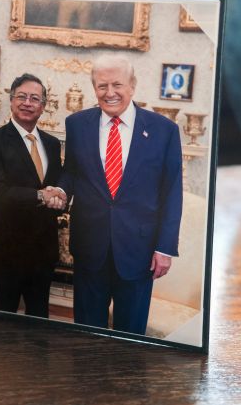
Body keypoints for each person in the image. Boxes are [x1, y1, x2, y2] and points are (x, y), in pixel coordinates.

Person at [52, 56, 183, 335]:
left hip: (139, 250)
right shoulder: (77, 124)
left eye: (117, 84)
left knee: (131, 336)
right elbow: (72, 172)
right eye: (102, 86)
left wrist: (165, 248)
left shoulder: (164, 130)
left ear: (132, 85)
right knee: (87, 334)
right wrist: (61, 189)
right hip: (89, 247)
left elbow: (172, 192)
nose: (109, 93)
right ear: (93, 88)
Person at [0, 73, 64, 318]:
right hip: (8, 248)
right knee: (4, 321)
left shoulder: (51, 143)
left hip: (44, 248)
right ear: (11, 100)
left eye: (35, 98)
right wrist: (40, 195)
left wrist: (61, 196)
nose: (27, 103)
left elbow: (57, 186)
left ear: (43, 106)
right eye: (22, 96)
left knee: (39, 320)